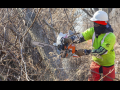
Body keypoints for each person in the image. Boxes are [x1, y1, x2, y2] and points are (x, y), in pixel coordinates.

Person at [62, 10, 116, 81]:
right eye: (94, 23)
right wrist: (71, 39)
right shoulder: (92, 30)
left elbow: (101, 51)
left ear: (102, 24)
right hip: (96, 62)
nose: (94, 26)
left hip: (108, 63)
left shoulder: (110, 36)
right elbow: (81, 37)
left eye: (96, 24)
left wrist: (85, 52)